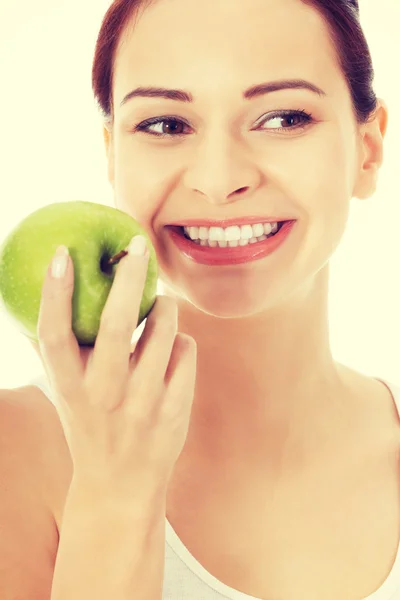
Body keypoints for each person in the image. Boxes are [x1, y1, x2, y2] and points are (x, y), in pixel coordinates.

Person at [0, 0, 396, 598]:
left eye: (284, 117)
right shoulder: (15, 454)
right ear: (112, 155)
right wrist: (113, 488)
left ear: (367, 150)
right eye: (165, 125)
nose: (217, 179)